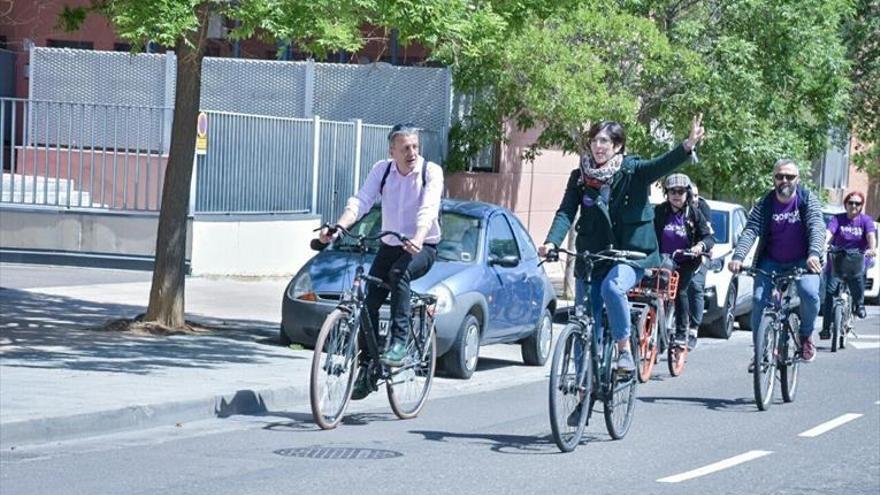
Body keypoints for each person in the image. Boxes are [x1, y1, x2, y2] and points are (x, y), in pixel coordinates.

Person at [539, 114, 705, 372]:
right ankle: (581, 384)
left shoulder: (633, 171)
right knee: (584, 319)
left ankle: (623, 349)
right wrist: (551, 242)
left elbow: (660, 165)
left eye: (604, 141)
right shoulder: (580, 177)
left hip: (632, 254)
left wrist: (686, 146)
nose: (598, 146)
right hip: (593, 254)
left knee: (613, 288)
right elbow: (566, 212)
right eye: (594, 140)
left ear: (617, 146)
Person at [317, 123, 443, 399]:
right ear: (392, 151)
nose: (411, 152)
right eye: (405, 148)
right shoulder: (382, 170)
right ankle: (368, 367)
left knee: (399, 273)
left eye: (415, 147)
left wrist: (419, 236)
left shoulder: (430, 172)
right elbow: (361, 201)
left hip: (423, 246)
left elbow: (429, 207)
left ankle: (398, 342)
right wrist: (337, 228)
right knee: (367, 302)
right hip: (389, 245)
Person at [728, 159, 825, 363]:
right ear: (774, 179)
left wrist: (814, 253)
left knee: (809, 293)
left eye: (789, 177)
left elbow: (817, 226)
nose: (784, 180)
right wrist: (738, 257)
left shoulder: (806, 199)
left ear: (797, 179)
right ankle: (761, 352)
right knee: (758, 300)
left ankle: (806, 335)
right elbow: (750, 230)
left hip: (804, 261)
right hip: (770, 261)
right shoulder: (765, 203)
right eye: (780, 176)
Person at [653, 173, 715, 350]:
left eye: (680, 191)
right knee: (652, 292)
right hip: (663, 260)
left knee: (680, 291)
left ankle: (681, 332)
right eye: (672, 191)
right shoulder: (659, 212)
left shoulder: (694, 214)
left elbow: (709, 237)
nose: (676, 195)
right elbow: (648, 232)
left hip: (687, 261)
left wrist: (700, 246)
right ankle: (653, 329)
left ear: (687, 193)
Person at [820, 191, 877, 336]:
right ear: (845, 204)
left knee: (858, 280)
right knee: (830, 293)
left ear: (861, 206)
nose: (853, 206)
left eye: (857, 203)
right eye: (850, 202)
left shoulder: (866, 221)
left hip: (857, 259)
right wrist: (824, 244)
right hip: (838, 260)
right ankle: (826, 328)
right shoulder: (837, 219)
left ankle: (859, 304)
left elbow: (871, 236)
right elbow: (829, 232)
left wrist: (871, 248)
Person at [686, 182, 714, 339]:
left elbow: (707, 235)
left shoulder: (702, 209)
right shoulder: (670, 208)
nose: (695, 199)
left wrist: (701, 248)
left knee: (696, 284)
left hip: (701, 253)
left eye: (697, 195)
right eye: (692, 195)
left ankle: (694, 328)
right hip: (680, 253)